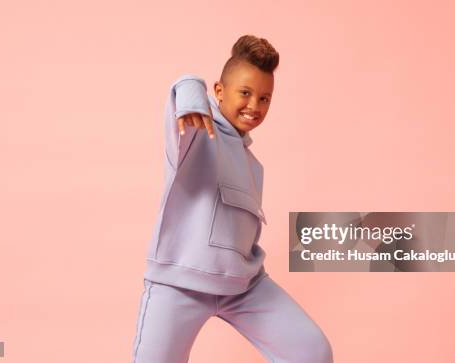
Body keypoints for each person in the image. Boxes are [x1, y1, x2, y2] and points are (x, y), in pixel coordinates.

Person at [132, 34, 333, 363]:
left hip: (243, 286)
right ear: (219, 91)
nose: (255, 106)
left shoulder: (252, 164)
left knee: (312, 351)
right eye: (245, 93)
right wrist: (190, 97)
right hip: (179, 283)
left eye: (265, 98)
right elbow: (185, 87)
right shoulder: (196, 131)